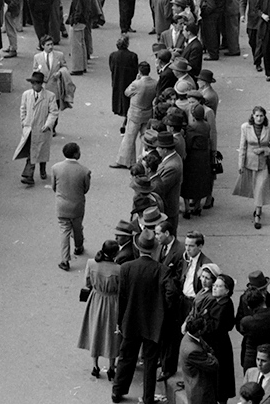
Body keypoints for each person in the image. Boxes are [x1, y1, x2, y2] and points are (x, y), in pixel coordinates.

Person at [114, 232, 168, 404]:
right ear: (154, 250)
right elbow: (171, 294)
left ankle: (118, 391)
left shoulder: (126, 268)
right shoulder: (161, 270)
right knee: (150, 361)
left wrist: (119, 321)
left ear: (138, 247)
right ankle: (148, 397)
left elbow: (121, 298)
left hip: (131, 320)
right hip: (153, 322)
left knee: (126, 357)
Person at [81, 240, 125, 382]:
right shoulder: (119, 269)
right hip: (112, 302)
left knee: (95, 330)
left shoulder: (91, 263)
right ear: (115, 253)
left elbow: (87, 283)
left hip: (96, 299)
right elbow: (122, 289)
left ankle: (95, 366)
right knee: (111, 334)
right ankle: (111, 367)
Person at [234, 105, 270, 229]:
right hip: (249, 162)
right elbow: (242, 146)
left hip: (264, 163)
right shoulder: (245, 127)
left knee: (261, 188)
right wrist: (240, 164)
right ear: (253, 116)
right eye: (257, 116)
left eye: (261, 116)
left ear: (265, 117)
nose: (259, 118)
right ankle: (257, 208)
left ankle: (258, 214)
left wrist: (264, 149)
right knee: (251, 187)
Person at [52, 141, 92, 271]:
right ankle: (78, 246)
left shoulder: (56, 168)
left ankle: (65, 260)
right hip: (77, 206)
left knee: (64, 231)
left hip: (62, 206)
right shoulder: (84, 171)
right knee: (77, 227)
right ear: (75, 154)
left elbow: (54, 187)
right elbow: (86, 189)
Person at [17, 70, 59, 185]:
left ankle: (42, 169)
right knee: (32, 151)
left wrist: (48, 124)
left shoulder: (50, 96)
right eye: (32, 83)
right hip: (29, 128)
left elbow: (53, 112)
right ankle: (28, 175)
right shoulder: (26, 94)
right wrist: (23, 121)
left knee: (41, 151)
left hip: (42, 129)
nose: (33, 85)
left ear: (41, 84)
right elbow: (23, 108)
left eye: (36, 83)